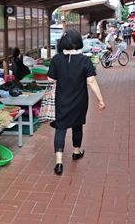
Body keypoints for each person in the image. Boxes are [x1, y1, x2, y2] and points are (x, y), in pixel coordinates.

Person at [47, 29, 105, 175]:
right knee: (77, 125)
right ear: (78, 42)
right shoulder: (85, 60)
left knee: (60, 128)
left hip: (61, 100)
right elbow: (91, 81)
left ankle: (59, 163)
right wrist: (100, 100)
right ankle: (76, 152)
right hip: (79, 100)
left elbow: (50, 80)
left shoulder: (57, 59)